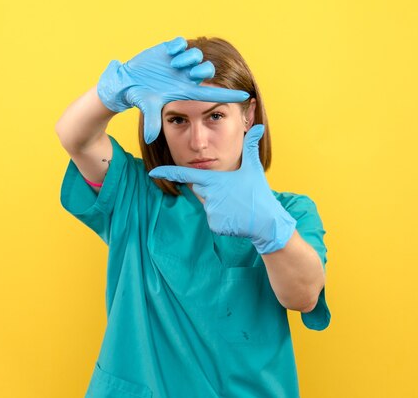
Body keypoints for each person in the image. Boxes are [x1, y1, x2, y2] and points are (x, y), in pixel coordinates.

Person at [55, 36, 331, 398]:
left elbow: (304, 296)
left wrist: (270, 230)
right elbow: (75, 137)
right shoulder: (134, 193)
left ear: (248, 115)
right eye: (178, 119)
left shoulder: (290, 212)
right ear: (159, 123)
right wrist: (117, 85)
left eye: (215, 116)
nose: (198, 141)